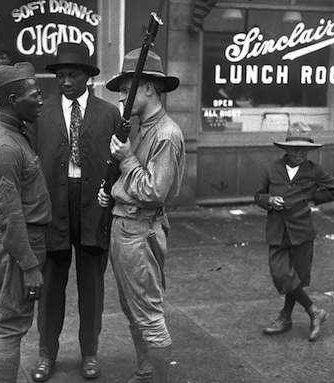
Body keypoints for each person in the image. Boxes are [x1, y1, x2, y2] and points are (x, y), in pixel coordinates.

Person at [29, 42, 122, 382]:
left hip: (93, 206)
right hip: (53, 205)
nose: (66, 82)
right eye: (61, 76)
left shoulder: (109, 114)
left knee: (92, 287)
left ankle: (90, 354)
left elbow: (121, 162)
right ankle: (46, 353)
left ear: (88, 77)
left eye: (73, 75)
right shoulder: (42, 112)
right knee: (50, 284)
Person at [97, 49, 185, 383]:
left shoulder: (166, 133)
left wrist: (128, 159)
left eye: (126, 88)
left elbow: (154, 192)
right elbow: (134, 182)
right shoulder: (142, 127)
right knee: (132, 307)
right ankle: (146, 370)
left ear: (147, 88)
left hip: (141, 231)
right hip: (126, 226)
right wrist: (112, 191)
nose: (121, 96)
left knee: (148, 313)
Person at [0, 62, 50, 383]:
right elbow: (9, 215)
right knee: (10, 327)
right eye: (35, 95)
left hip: (22, 244)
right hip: (16, 250)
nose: (40, 100)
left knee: (14, 323)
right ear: (12, 98)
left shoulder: (14, 135)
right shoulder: (5, 147)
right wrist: (29, 265)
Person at [254, 122, 334, 342]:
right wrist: (269, 200)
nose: (299, 152)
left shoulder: (314, 170)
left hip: (302, 231)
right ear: (286, 148)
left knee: (297, 277)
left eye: (304, 149)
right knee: (281, 274)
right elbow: (257, 196)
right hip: (277, 230)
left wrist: (312, 199)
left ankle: (285, 317)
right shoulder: (271, 168)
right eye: (295, 148)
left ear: (309, 150)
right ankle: (315, 311)